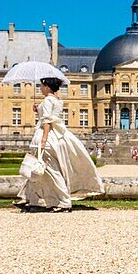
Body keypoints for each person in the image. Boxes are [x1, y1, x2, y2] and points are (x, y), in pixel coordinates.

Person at [15, 77, 104, 212]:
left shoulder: (47, 101)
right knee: (38, 170)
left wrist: (43, 141)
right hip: (56, 137)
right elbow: (50, 114)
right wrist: (38, 109)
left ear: (47, 87)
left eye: (42, 86)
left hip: (47, 137)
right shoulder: (57, 101)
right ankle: (31, 199)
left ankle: (64, 202)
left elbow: (47, 122)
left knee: (50, 170)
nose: (40, 88)